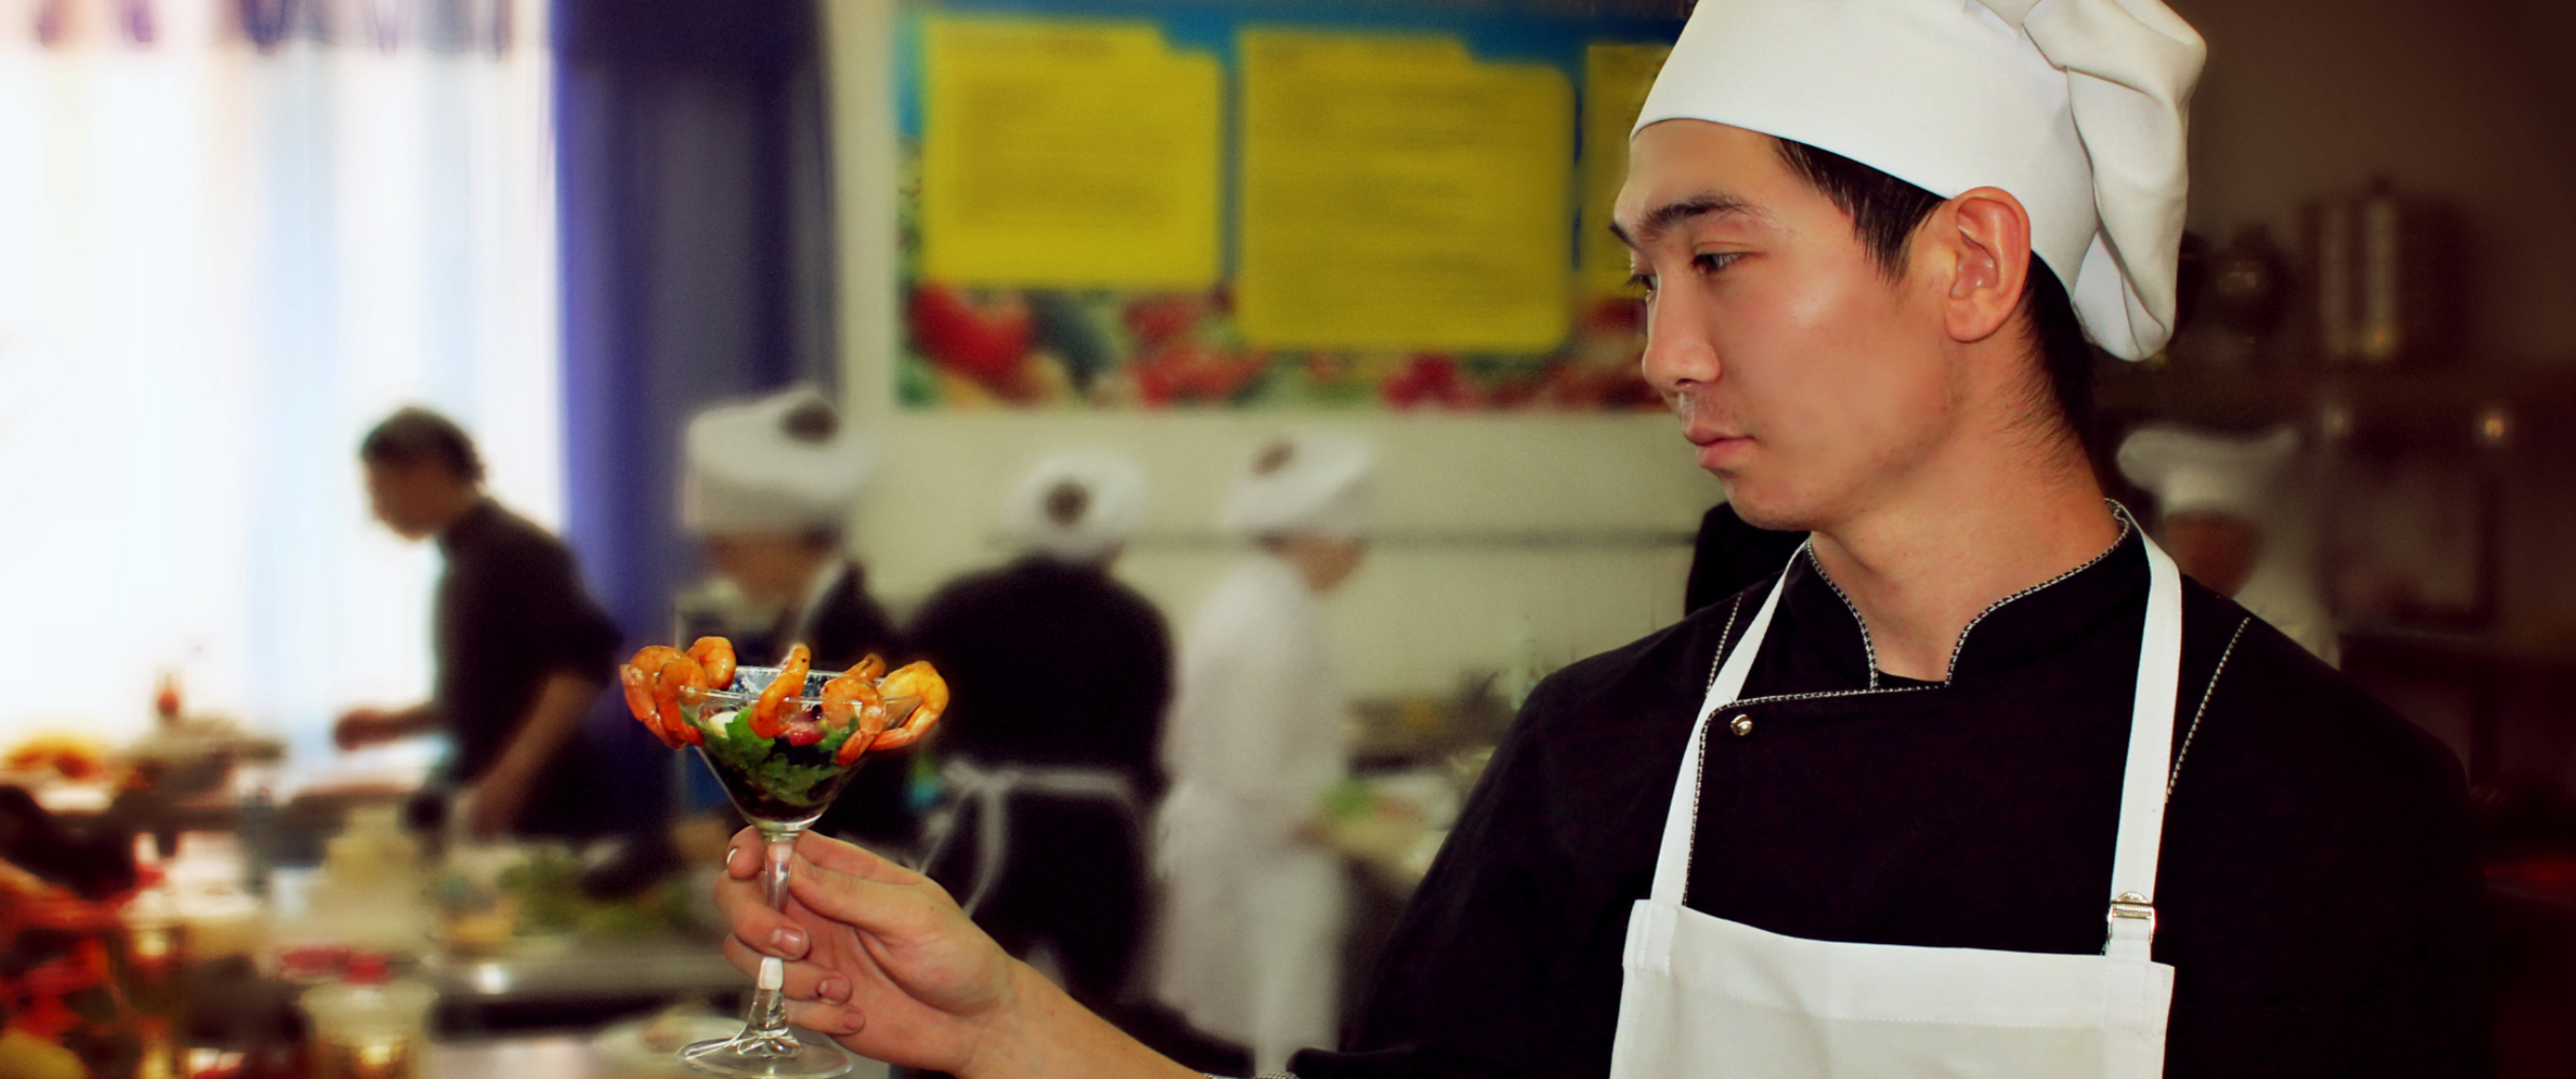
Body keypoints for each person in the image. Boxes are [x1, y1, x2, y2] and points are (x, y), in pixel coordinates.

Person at [707, 0, 2487, 1075]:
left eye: (1717, 258)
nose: (1663, 354)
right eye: (1646, 280)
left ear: (1966, 263)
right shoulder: (1602, 749)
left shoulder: (2320, 800)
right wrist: (1002, 1022)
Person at [909, 451, 1173, 1015]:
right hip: (1096, 844)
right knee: (1092, 1013)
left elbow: (909, 721)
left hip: (983, 830)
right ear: (1116, 541)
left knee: (957, 1007)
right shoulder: (1137, 620)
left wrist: (922, 803)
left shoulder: (960, 603)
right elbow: (1149, 752)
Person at [1152, 435, 1370, 1076]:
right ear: (1314, 538)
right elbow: (1260, 776)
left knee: (1257, 1036)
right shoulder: (1270, 620)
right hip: (1266, 861)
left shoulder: (1260, 598)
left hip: (1252, 846)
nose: (1359, 559)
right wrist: (1366, 823)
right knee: (1280, 1038)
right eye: (1354, 542)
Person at [335, 408, 621, 840]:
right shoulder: (463, 559)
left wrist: (514, 774)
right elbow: (486, 694)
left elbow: (581, 666)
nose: (376, 511)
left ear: (426, 468)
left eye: (380, 488)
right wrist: (390, 725)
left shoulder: (517, 548)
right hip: (497, 797)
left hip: (547, 804)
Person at [677, 386, 912, 849]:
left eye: (725, 545)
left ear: (779, 534)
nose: (719, 566)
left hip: (851, 854)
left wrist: (676, 847)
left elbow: (810, 781)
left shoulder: (854, 632)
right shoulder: (799, 620)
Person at [2118, 425, 2339, 663]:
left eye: (2216, 524)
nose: (2197, 540)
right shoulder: (2153, 604)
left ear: (2248, 534)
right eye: (2182, 523)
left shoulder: (2290, 621)